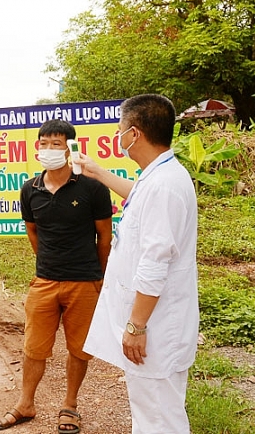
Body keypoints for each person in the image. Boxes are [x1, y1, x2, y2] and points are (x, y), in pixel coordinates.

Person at [77, 94, 199, 433]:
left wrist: (136, 326)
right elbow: (138, 196)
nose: (118, 137)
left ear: (135, 133)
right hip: (156, 325)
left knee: (160, 419)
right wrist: (98, 172)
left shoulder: (164, 185)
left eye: (119, 130)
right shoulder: (158, 176)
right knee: (150, 414)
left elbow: (155, 263)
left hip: (157, 329)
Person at [0, 119, 112, 433]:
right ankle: (25, 404)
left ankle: (70, 406)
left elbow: (105, 237)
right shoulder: (29, 189)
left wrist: (98, 276)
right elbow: (33, 232)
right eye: (43, 143)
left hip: (84, 281)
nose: (48, 149)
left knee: (78, 348)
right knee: (34, 347)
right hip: (44, 281)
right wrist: (47, 263)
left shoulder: (92, 188)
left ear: (70, 148)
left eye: (56, 144)